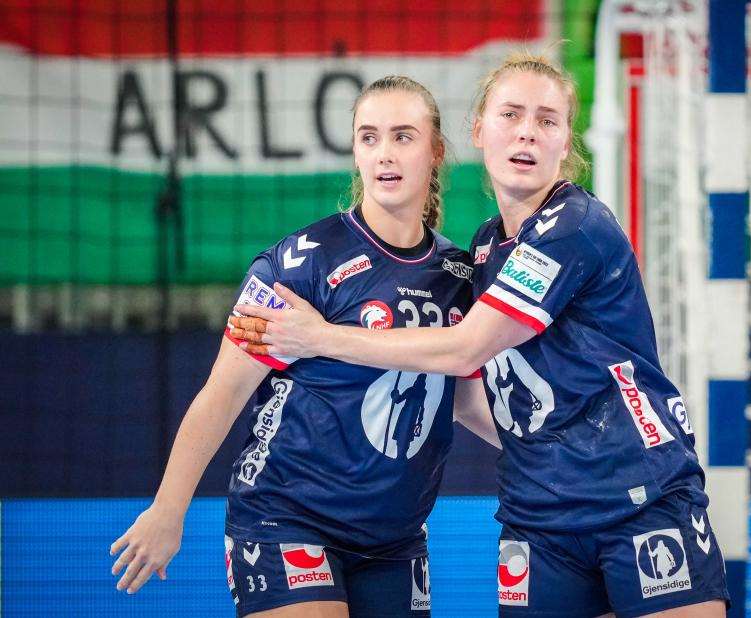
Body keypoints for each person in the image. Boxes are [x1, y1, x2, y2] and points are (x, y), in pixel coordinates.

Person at [230, 53, 730, 617]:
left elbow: (465, 347)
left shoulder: (576, 224)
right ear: (478, 132)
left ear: (566, 142)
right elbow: (470, 395)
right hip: (540, 516)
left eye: (546, 120)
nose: (527, 132)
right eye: (511, 115)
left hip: (639, 497)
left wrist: (319, 337)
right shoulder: (484, 249)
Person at [110, 75, 497, 618]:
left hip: (395, 537)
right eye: (369, 137)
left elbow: (463, 399)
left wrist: (557, 455)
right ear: (356, 152)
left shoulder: (458, 276)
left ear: (435, 151)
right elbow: (222, 394)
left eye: (403, 136)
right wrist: (168, 510)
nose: (384, 153)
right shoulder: (298, 264)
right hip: (286, 517)